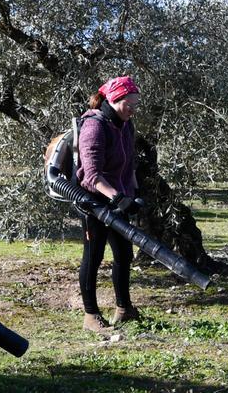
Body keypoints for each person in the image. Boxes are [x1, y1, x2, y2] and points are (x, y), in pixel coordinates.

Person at [76, 75, 143, 332]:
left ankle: (124, 309)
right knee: (93, 257)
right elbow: (91, 176)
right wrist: (117, 197)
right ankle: (91, 316)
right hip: (94, 202)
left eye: (136, 105)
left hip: (119, 200)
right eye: (130, 105)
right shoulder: (94, 126)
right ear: (114, 99)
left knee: (124, 255)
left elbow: (129, 163)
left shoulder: (126, 124)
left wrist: (132, 194)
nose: (133, 110)